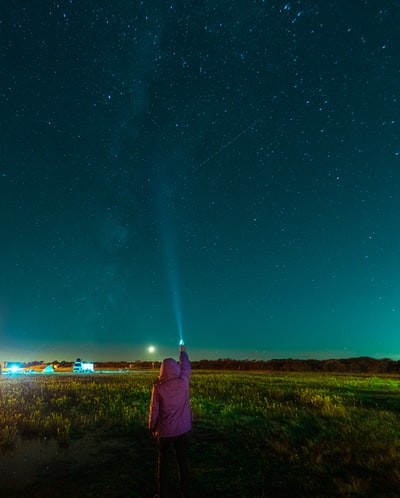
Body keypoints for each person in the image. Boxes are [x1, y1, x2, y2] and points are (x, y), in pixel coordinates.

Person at [149, 344, 192, 498]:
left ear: (161, 370)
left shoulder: (158, 388)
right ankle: (185, 492)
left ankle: (162, 494)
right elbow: (186, 367)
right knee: (182, 462)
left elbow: (154, 410)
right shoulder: (183, 382)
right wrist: (183, 353)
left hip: (165, 432)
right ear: (176, 369)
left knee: (163, 465)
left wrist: (152, 428)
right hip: (182, 430)